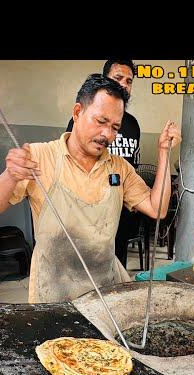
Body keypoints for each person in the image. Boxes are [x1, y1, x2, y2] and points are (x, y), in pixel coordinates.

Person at [0, 74, 181, 303]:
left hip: (104, 288)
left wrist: (164, 153)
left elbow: (158, 209)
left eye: (115, 127)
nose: (108, 135)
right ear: (77, 112)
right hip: (53, 291)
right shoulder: (40, 157)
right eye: (101, 122)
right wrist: (10, 176)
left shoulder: (119, 168)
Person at [66, 59, 142, 267]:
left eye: (129, 80)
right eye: (118, 78)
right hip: (88, 210)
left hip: (120, 209)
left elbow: (133, 166)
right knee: (85, 267)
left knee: (117, 265)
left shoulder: (133, 124)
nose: (124, 84)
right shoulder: (82, 120)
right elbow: (70, 162)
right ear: (105, 79)